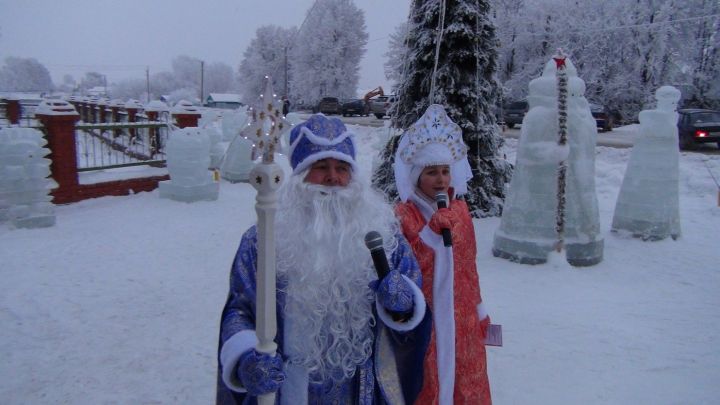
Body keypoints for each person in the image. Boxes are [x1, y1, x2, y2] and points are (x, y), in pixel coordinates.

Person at [216, 114, 431, 405]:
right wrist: (244, 358)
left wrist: (405, 307)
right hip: (290, 390)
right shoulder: (264, 240)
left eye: (342, 168)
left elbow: (411, 314)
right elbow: (239, 311)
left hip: (362, 391)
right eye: (321, 167)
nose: (333, 177)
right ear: (301, 175)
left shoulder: (384, 235)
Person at [393, 104, 492, 404]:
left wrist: (479, 311)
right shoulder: (403, 215)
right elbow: (407, 270)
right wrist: (430, 235)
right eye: (431, 172)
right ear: (416, 176)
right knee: (428, 381)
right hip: (427, 321)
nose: (440, 180)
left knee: (464, 380)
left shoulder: (460, 211)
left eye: (445, 171)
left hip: (461, 318)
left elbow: (467, 266)